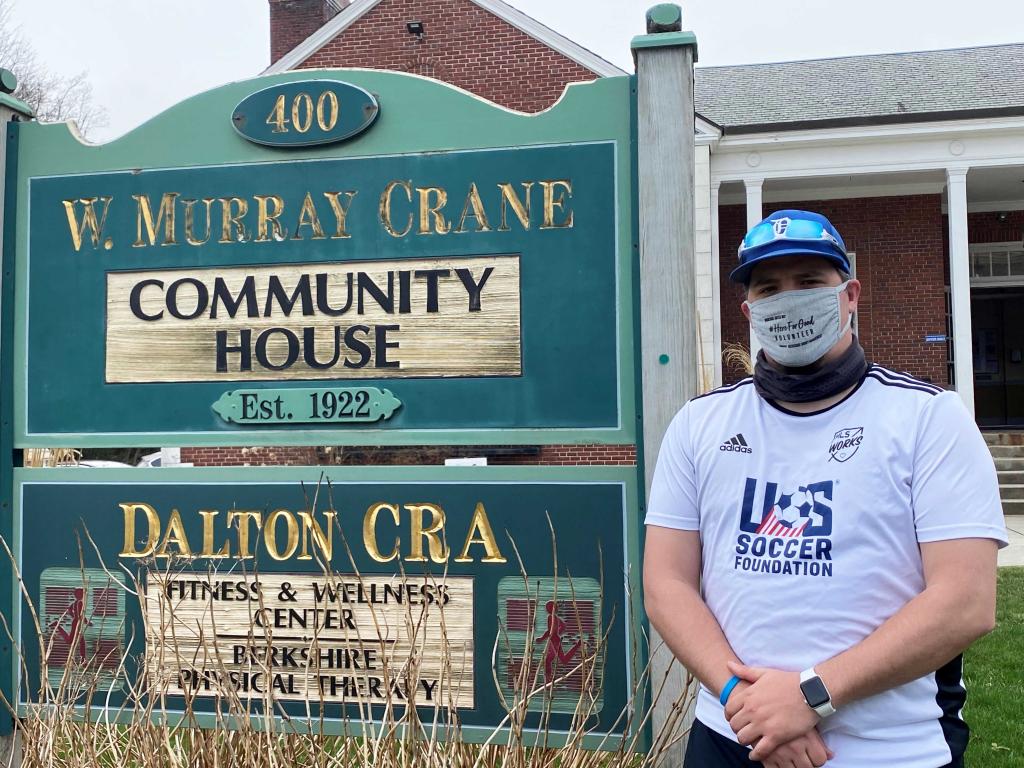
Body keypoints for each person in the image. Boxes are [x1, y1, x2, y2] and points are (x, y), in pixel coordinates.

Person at [643, 209, 1008, 768]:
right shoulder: (699, 424)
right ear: (749, 311)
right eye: (769, 288)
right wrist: (746, 703)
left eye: (810, 282)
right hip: (728, 736)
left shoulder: (929, 418)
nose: (789, 300)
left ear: (850, 293)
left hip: (889, 749)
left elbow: (966, 602)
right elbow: (667, 583)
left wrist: (811, 695)